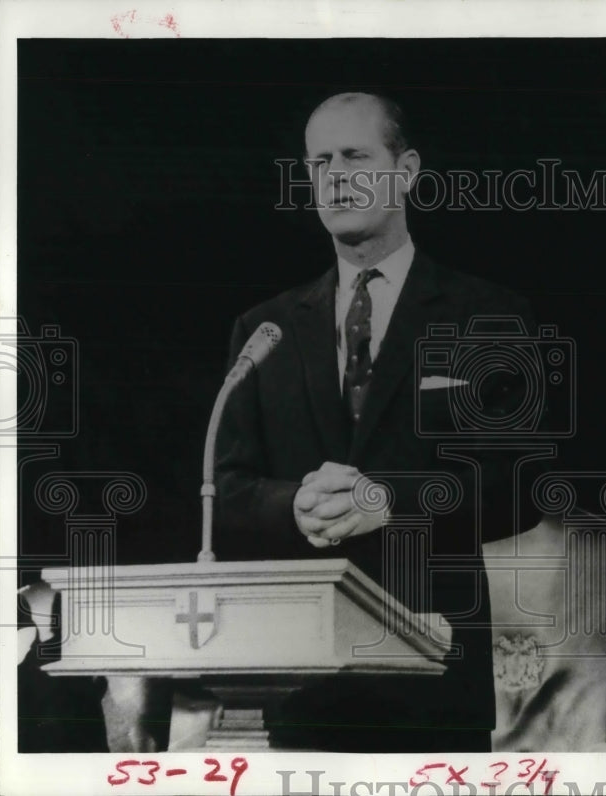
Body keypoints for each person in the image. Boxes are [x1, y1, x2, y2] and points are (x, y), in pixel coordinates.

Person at [214, 92, 545, 751]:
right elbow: (222, 490)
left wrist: (385, 498)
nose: (336, 176)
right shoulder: (266, 328)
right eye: (320, 162)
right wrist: (293, 504)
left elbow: (517, 484)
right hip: (304, 678)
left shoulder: (487, 314)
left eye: (356, 156)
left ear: (407, 170)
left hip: (433, 675)